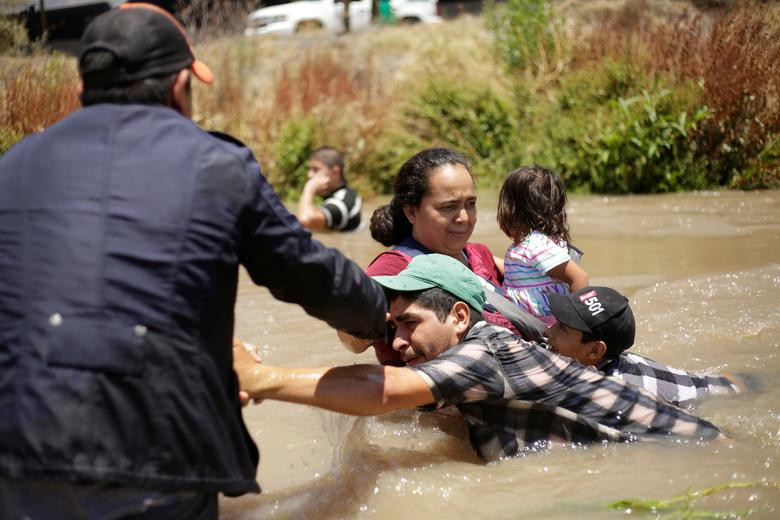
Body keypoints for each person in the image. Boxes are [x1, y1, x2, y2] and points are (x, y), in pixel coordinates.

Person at [0, 4, 386, 518]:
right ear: (180, 87)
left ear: (82, 93)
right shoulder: (216, 166)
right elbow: (308, 274)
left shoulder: (14, 166)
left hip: (17, 452)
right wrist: (377, 313)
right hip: (155, 458)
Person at [234, 254, 725, 462]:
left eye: (410, 324)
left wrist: (258, 376)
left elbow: (379, 391)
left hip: (683, 449)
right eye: (392, 327)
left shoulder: (487, 350)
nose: (398, 343)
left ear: (461, 317)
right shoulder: (461, 359)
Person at [363, 148, 546, 365]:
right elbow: (350, 331)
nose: (464, 217)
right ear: (411, 212)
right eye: (448, 207)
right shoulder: (394, 269)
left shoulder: (478, 254)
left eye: (470, 204)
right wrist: (360, 326)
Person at [545, 287, 742, 408]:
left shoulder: (618, 393)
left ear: (595, 351)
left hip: (725, 395)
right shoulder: (600, 362)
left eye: (562, 328)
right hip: (718, 381)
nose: (548, 331)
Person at [497, 165, 589, 326]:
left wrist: (569, 326)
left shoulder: (537, 244)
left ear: (512, 209)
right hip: (534, 324)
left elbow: (579, 278)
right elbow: (518, 273)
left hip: (547, 326)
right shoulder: (527, 245)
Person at [296, 147, 362, 232]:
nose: (309, 175)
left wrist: (309, 189)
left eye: (315, 169)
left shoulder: (342, 201)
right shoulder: (342, 195)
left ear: (335, 171)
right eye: (310, 169)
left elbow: (305, 220)